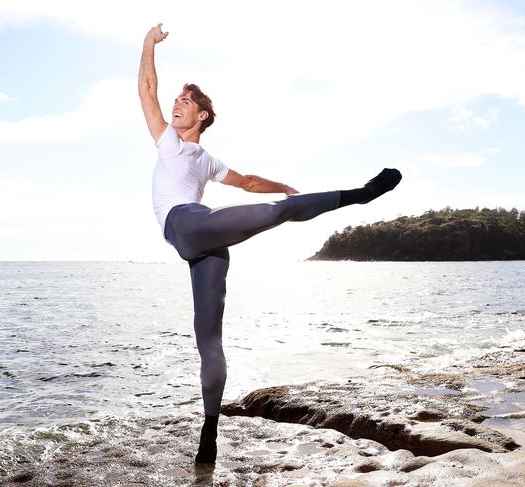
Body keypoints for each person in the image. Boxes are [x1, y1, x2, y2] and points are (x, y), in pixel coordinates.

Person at [138, 23, 401, 464]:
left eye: (185, 102)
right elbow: (147, 87)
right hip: (187, 227)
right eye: (176, 101)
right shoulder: (168, 142)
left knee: (214, 334)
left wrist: (284, 187)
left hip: (199, 235)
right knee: (209, 335)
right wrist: (148, 45)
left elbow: (248, 182)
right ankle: (208, 426)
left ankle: (209, 432)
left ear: (201, 116)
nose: (174, 105)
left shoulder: (204, 158)